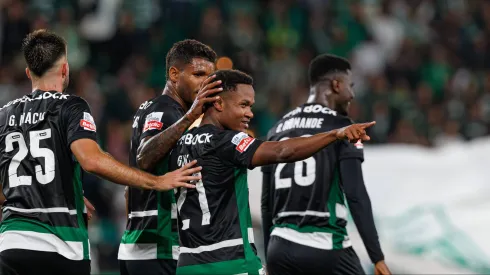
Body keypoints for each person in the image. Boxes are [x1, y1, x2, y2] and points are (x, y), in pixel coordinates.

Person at [0, 30, 199, 275]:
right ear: (65, 70)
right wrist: (156, 181)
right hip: (60, 246)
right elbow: (91, 161)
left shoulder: (5, 115)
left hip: (10, 245)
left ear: (29, 72)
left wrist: (55, 192)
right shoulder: (71, 106)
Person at [167, 69, 375, 275]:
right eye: (244, 105)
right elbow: (282, 151)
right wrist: (334, 135)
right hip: (231, 261)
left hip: (188, 264)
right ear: (219, 103)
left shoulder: (178, 143)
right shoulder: (227, 141)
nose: (250, 113)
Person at [261, 54, 392, 275]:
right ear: (336, 85)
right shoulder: (343, 127)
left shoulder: (276, 129)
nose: (352, 94)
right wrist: (376, 257)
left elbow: (266, 203)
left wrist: (270, 255)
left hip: (279, 246)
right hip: (324, 245)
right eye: (350, 86)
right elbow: (356, 194)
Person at [118, 39, 221, 275]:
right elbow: (144, 157)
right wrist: (190, 117)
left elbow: (129, 187)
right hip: (159, 247)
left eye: (210, 77)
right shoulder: (165, 111)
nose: (206, 83)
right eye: (198, 74)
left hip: (140, 244)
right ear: (174, 74)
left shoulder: (157, 108)